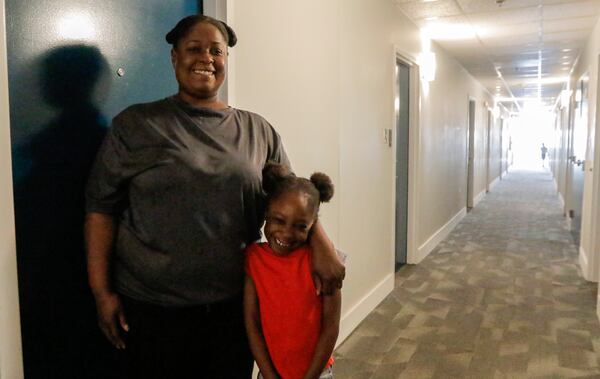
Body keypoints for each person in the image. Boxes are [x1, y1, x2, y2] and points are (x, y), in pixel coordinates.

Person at [84, 14, 344, 378]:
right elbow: (101, 209)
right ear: (174, 58)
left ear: (226, 61)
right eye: (193, 49)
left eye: (216, 51)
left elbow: (291, 198)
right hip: (152, 309)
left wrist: (323, 245)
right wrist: (101, 292)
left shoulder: (257, 129)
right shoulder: (136, 125)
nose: (206, 58)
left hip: (233, 306)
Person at [244, 163, 341, 379]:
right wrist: (269, 374)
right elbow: (252, 322)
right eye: (279, 220)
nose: (287, 233)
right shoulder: (254, 259)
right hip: (271, 374)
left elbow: (330, 327)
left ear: (312, 225)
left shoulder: (321, 264)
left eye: (300, 226)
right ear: (266, 213)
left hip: (318, 374)